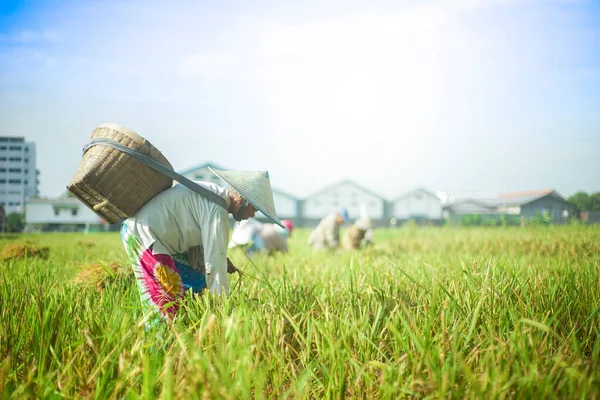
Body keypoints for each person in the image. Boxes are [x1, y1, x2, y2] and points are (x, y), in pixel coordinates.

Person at [120, 167, 283, 321]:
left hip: (159, 240)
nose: (252, 215)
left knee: (196, 280)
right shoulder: (217, 209)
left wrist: (222, 260)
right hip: (144, 235)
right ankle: (160, 344)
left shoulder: (212, 194)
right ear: (243, 200)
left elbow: (206, 247)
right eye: (254, 209)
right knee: (165, 301)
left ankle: (191, 320)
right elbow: (214, 267)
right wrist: (222, 308)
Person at [229, 218, 294, 254]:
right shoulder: (281, 239)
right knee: (256, 253)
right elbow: (285, 252)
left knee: (252, 251)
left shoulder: (270, 226)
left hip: (256, 239)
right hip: (262, 246)